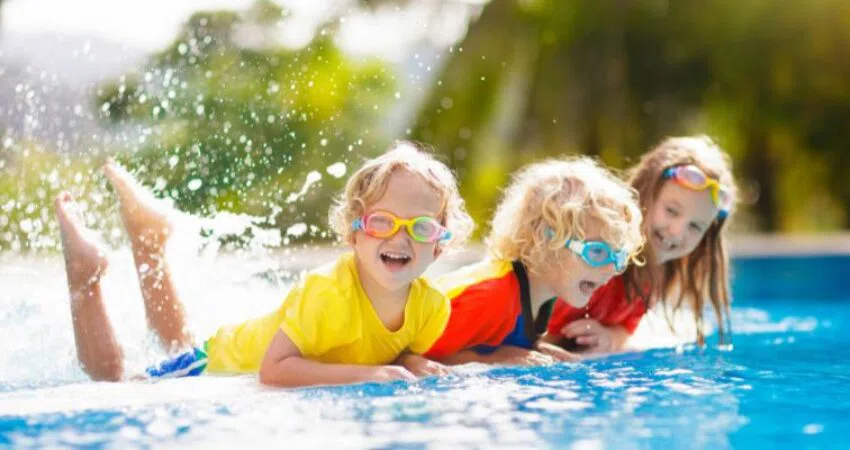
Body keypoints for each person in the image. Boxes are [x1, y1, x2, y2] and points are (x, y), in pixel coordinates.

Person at [55, 141, 474, 387]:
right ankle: (86, 278)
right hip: (223, 359)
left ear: (440, 244)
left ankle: (150, 242)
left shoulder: (432, 308)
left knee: (174, 341)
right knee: (119, 383)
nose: (400, 238)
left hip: (237, 352)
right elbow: (273, 371)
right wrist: (367, 375)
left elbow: (393, 354)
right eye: (383, 222)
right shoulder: (328, 293)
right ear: (354, 232)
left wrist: (412, 363)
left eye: (420, 228)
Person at [423, 157, 644, 365]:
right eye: (597, 253)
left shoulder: (541, 296)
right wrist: (497, 358)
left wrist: (538, 349)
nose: (611, 269)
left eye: (618, 257)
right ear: (547, 240)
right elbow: (414, 358)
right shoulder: (491, 297)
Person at [541, 135, 738, 354]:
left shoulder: (652, 276)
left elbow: (626, 327)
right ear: (642, 193)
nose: (678, 231)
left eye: (695, 227)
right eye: (671, 211)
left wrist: (610, 337)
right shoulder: (596, 253)